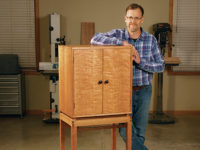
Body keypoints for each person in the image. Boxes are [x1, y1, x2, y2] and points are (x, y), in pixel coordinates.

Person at [90, 3, 165, 150]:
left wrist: (140, 62)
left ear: (142, 20)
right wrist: (121, 43)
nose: (133, 21)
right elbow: (94, 39)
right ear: (125, 18)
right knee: (125, 129)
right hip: (123, 92)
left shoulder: (151, 40)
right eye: (130, 18)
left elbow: (161, 65)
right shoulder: (117, 35)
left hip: (144, 91)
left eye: (136, 18)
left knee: (140, 133)